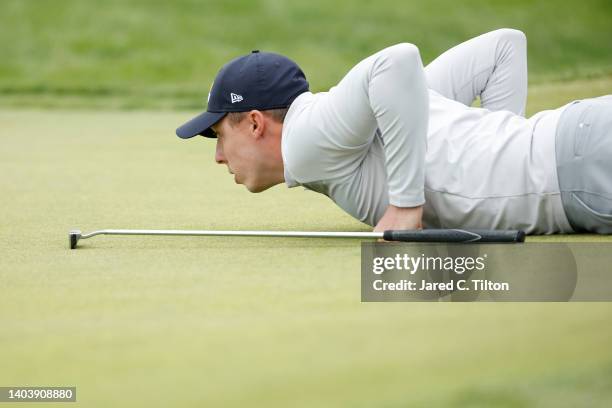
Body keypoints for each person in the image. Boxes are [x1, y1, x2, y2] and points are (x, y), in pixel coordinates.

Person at [176, 29, 612, 235]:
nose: (217, 156)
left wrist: (406, 204)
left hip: (581, 169)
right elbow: (504, 46)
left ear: (254, 123)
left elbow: (396, 60)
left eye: (217, 136)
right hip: (578, 143)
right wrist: (499, 141)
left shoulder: (304, 138)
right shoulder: (386, 117)